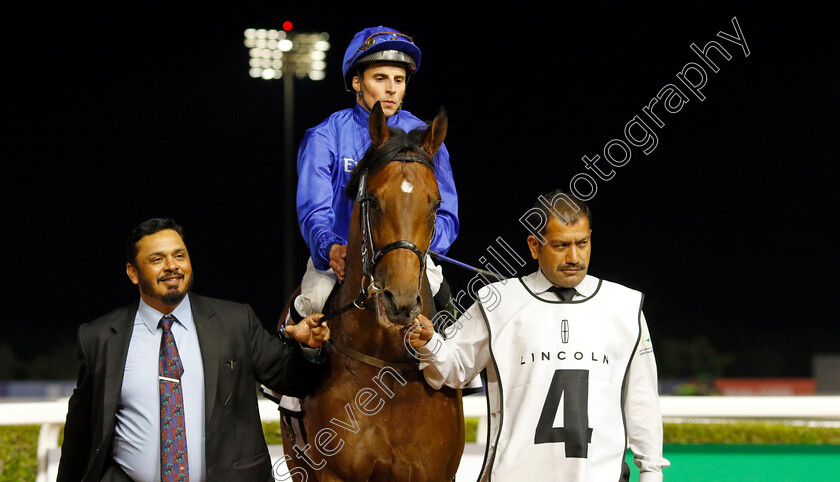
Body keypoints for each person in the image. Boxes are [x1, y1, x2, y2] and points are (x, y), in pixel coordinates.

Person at [408, 190, 670, 481]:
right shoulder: (495, 300)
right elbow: (452, 370)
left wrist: (651, 472)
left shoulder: (626, 306)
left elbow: (642, 401)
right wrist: (430, 343)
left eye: (582, 243)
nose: (574, 256)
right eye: (560, 245)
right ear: (534, 246)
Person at [57, 218, 330, 482]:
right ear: (132, 272)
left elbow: (289, 379)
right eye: (156, 259)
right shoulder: (100, 338)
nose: (171, 266)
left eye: (179, 256)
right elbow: (80, 435)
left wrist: (308, 348)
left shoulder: (235, 322)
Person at [292, 25, 459, 321]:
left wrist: (414, 249)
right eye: (380, 79)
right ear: (357, 82)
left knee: (450, 318)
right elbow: (313, 208)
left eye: (399, 79)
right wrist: (329, 247)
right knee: (311, 307)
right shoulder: (324, 136)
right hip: (340, 261)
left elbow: (445, 212)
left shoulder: (426, 139)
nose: (391, 88)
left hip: (410, 259)